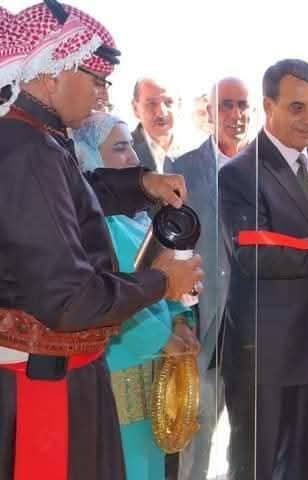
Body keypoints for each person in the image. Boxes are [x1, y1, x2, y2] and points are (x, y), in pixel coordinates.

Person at [0, 2, 203, 479]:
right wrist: (161, 282)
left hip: (61, 375)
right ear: (53, 71)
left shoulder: (37, 138)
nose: (102, 93)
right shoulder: (26, 150)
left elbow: (74, 198)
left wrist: (142, 184)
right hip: (45, 389)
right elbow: (69, 299)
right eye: (95, 78)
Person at [219, 59, 308, 480]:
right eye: (297, 107)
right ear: (269, 106)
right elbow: (251, 255)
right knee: (257, 467)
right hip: (264, 353)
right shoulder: (239, 173)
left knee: (307, 466)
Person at [73, 111, 200, 480]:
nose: (132, 157)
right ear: (88, 158)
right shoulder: (90, 229)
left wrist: (181, 321)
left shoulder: (139, 218)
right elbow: (109, 292)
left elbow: (166, 278)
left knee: (152, 464)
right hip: (120, 370)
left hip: (155, 375)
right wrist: (163, 339)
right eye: (119, 148)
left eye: (131, 146)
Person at [175, 76, 251, 480]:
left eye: (243, 105)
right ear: (209, 112)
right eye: (227, 105)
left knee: (250, 440)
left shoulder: (264, 168)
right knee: (197, 438)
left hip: (253, 330)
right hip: (204, 327)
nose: (236, 114)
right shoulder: (182, 169)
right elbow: (172, 252)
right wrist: (181, 318)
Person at [131, 76, 181, 173]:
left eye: (169, 102)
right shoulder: (122, 152)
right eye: (151, 104)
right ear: (135, 108)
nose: (161, 113)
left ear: (179, 104)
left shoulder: (196, 149)